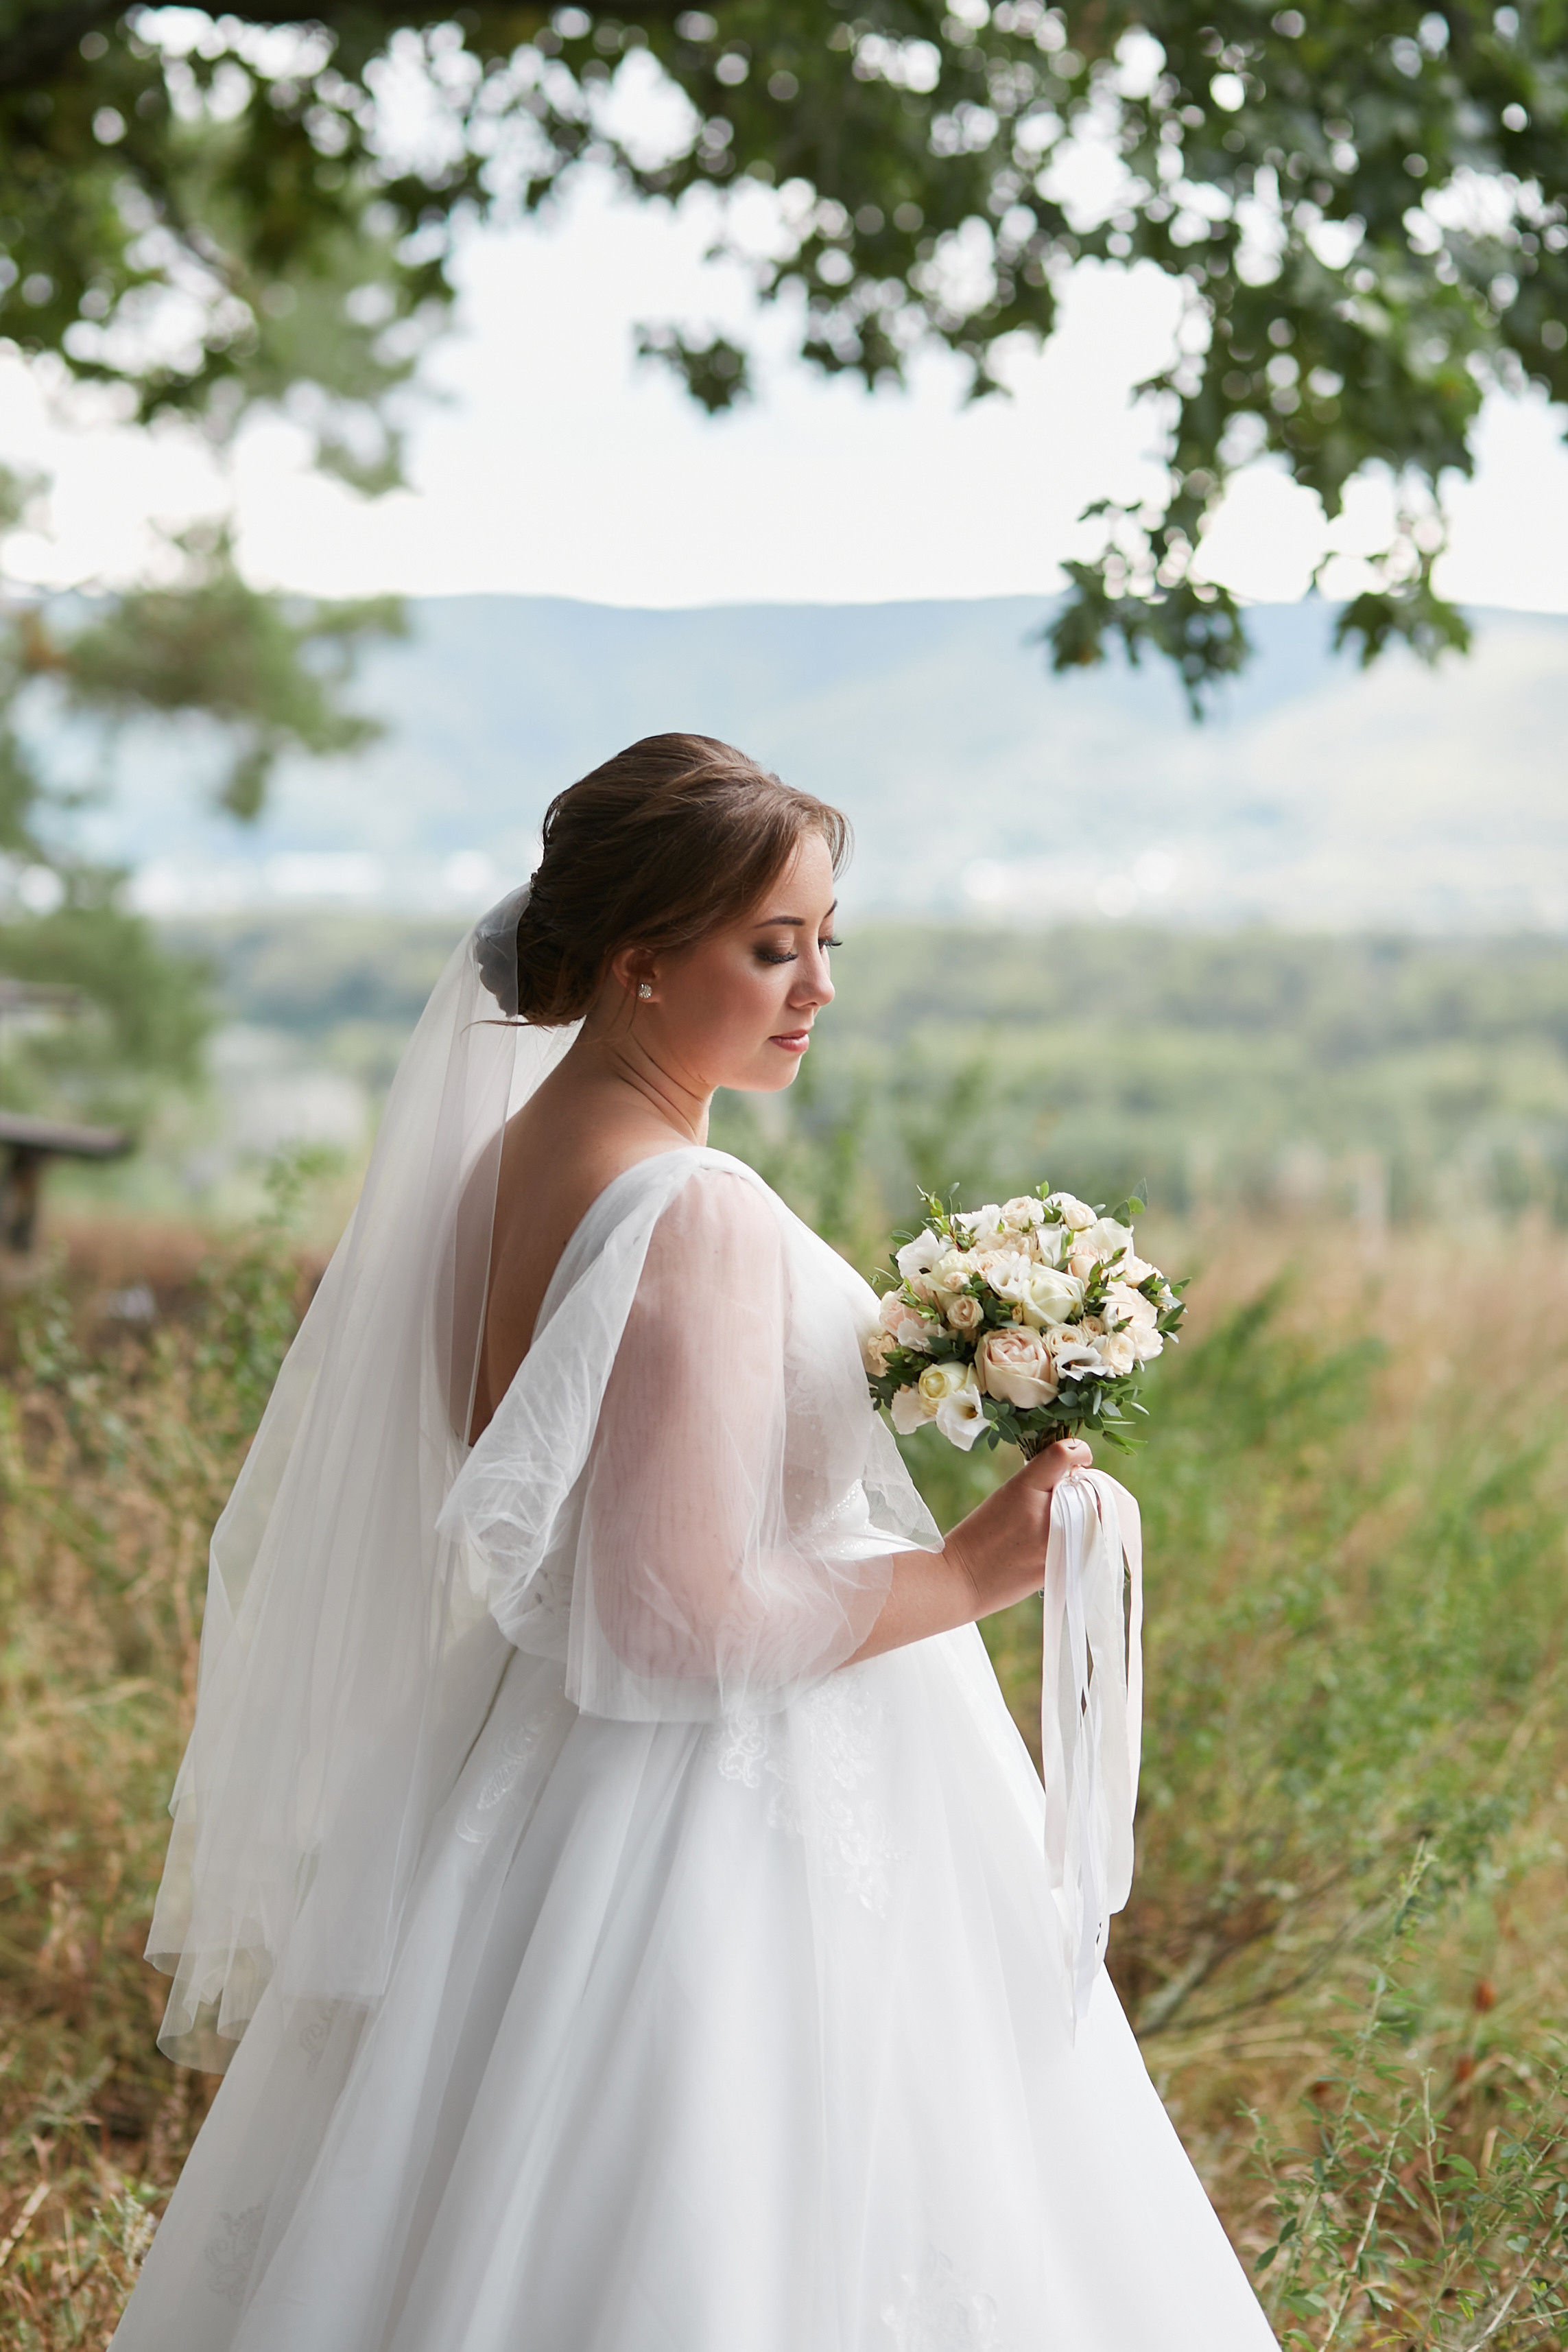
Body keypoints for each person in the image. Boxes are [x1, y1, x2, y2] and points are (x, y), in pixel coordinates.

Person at [112, 735, 1276, 2351]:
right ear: (644, 963)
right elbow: (665, 1619)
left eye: (824, 940)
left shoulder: (499, 1174)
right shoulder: (691, 1207)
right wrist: (969, 1571)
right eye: (770, 944)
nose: (814, 987)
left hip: (530, 1775)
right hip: (723, 1812)